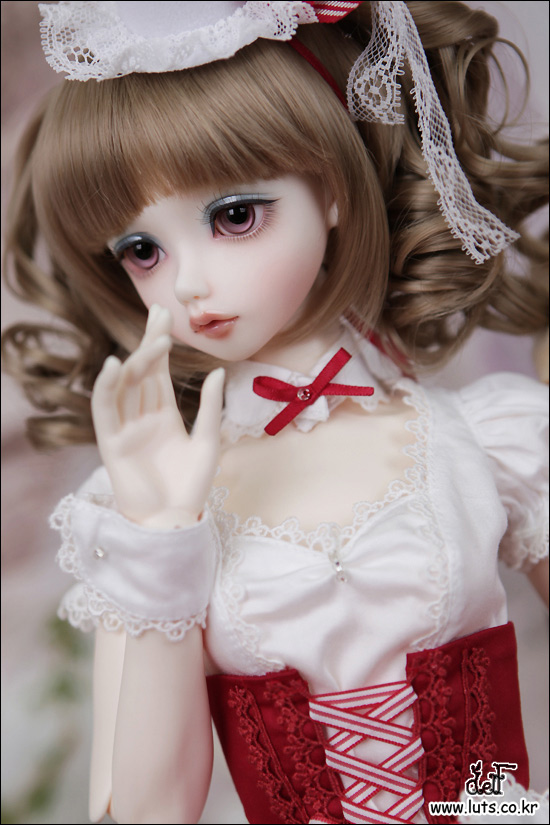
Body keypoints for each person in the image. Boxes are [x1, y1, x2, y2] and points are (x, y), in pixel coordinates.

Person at [2, 2, 548, 823]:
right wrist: (162, 532)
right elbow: (149, 812)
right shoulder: (137, 513)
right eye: (143, 251)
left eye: (235, 216)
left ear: (331, 190)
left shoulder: (491, 440)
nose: (189, 283)